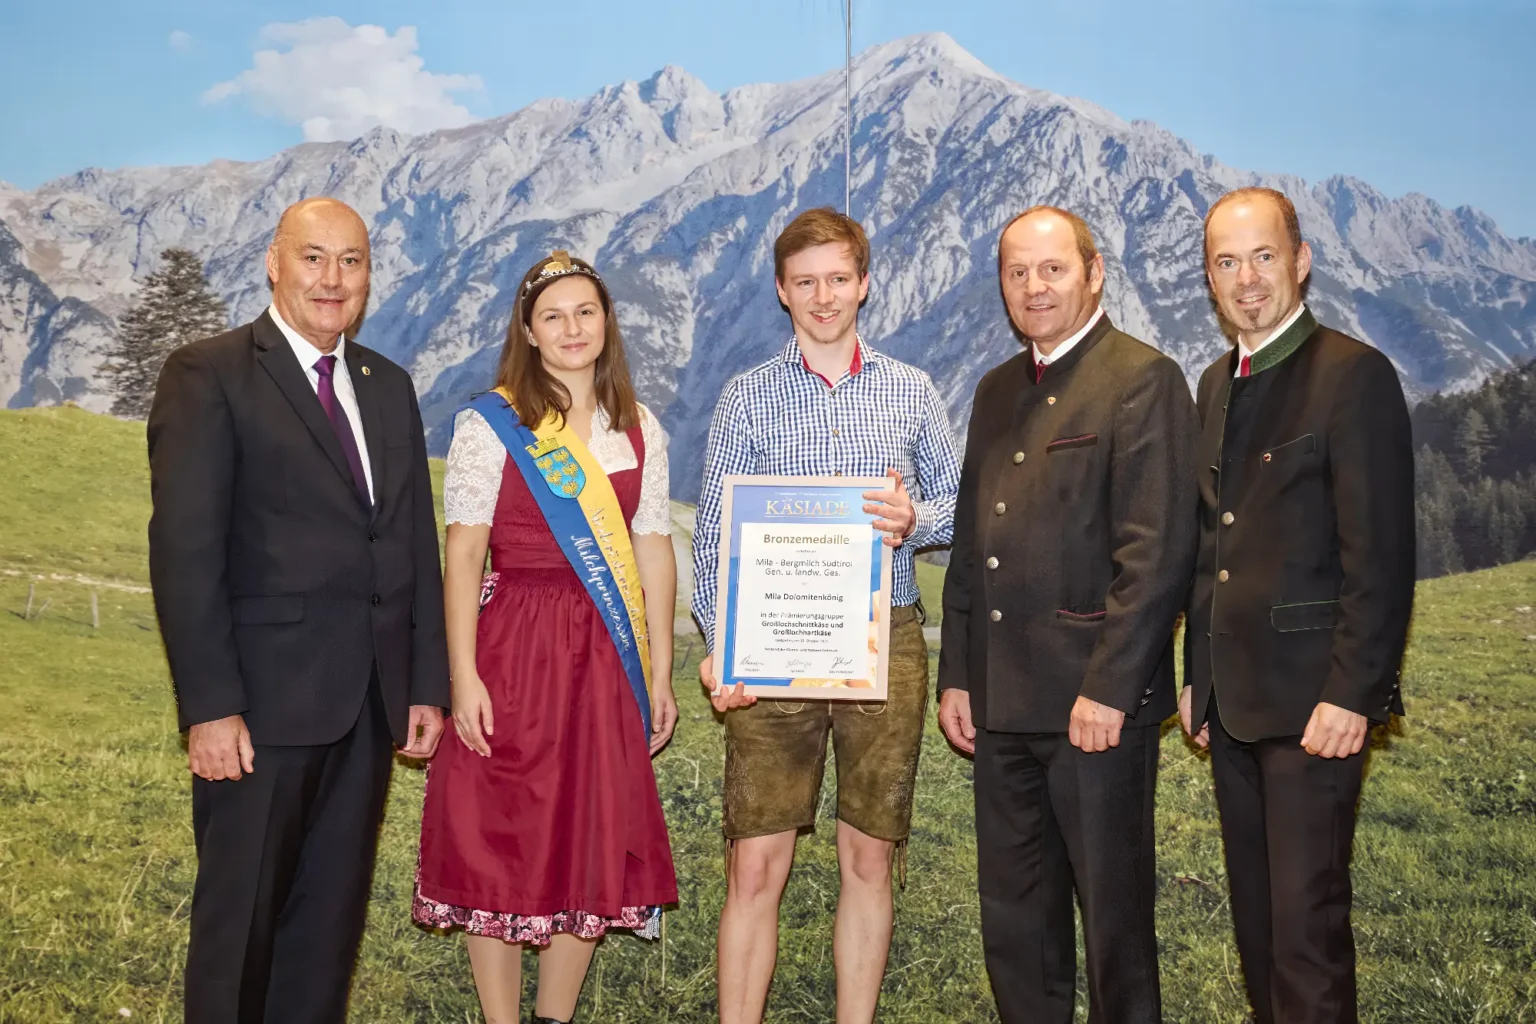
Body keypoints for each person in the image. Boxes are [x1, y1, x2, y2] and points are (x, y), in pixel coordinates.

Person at [147, 196, 450, 1023]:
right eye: (314, 257)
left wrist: (425, 684)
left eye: (351, 261)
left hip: (368, 710)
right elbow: (185, 553)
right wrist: (211, 707)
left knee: (325, 938)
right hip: (259, 715)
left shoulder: (387, 385)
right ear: (274, 262)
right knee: (238, 933)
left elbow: (410, 542)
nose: (332, 279)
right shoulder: (209, 374)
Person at [691, 207, 961, 1024]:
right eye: (805, 281)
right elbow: (715, 535)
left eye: (838, 278)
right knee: (754, 865)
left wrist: (916, 519)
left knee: (868, 858)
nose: (823, 296)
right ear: (782, 290)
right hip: (769, 649)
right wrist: (722, 646)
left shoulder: (911, 390)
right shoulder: (747, 396)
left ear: (864, 283)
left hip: (887, 644)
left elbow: (962, 504)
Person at [937, 206, 1197, 1023]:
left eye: (1052, 269)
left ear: (1094, 272)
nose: (1034, 287)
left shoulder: (1143, 378)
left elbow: (1156, 555)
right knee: (1017, 925)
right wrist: (957, 676)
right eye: (1017, 272)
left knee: (1115, 928)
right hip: (1001, 704)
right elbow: (974, 544)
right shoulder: (995, 389)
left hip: (1095, 710)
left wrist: (1110, 690)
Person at [413, 251, 679, 1024]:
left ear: (606, 322)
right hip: (514, 644)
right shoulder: (492, 424)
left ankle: (553, 1018)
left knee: (590, 826)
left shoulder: (640, 429)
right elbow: (464, 552)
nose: (571, 329)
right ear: (528, 332)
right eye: (553, 316)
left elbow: (652, 548)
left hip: (606, 653)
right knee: (498, 828)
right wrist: (462, 674)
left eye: (585, 312)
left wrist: (660, 671)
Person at [1181, 187, 1415, 1024]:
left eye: (1263, 256)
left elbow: (1380, 559)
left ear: (1301, 261)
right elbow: (1209, 548)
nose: (1247, 279)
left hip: (1316, 707)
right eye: (1227, 262)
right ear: (1210, 279)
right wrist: (1196, 676)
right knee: (1257, 928)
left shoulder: (1354, 375)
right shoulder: (1215, 384)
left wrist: (1354, 694)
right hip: (1231, 706)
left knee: (1305, 935)